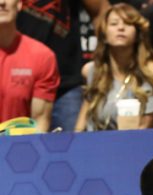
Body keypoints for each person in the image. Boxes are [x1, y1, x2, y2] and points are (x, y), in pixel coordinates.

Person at [74, 3, 153, 131]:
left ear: (137, 34)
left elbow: (145, 127)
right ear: (104, 35)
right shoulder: (91, 71)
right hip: (96, 140)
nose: (121, 28)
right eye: (114, 24)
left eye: (128, 24)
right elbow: (81, 126)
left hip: (136, 140)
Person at [17, 0, 109, 131]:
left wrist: (104, 57)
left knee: (73, 142)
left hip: (65, 82)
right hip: (18, 78)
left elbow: (101, 10)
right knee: (12, 141)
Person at [0, 0, 60, 133]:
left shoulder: (42, 57)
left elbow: (40, 123)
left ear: (19, 4)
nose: (2, 2)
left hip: (19, 144)